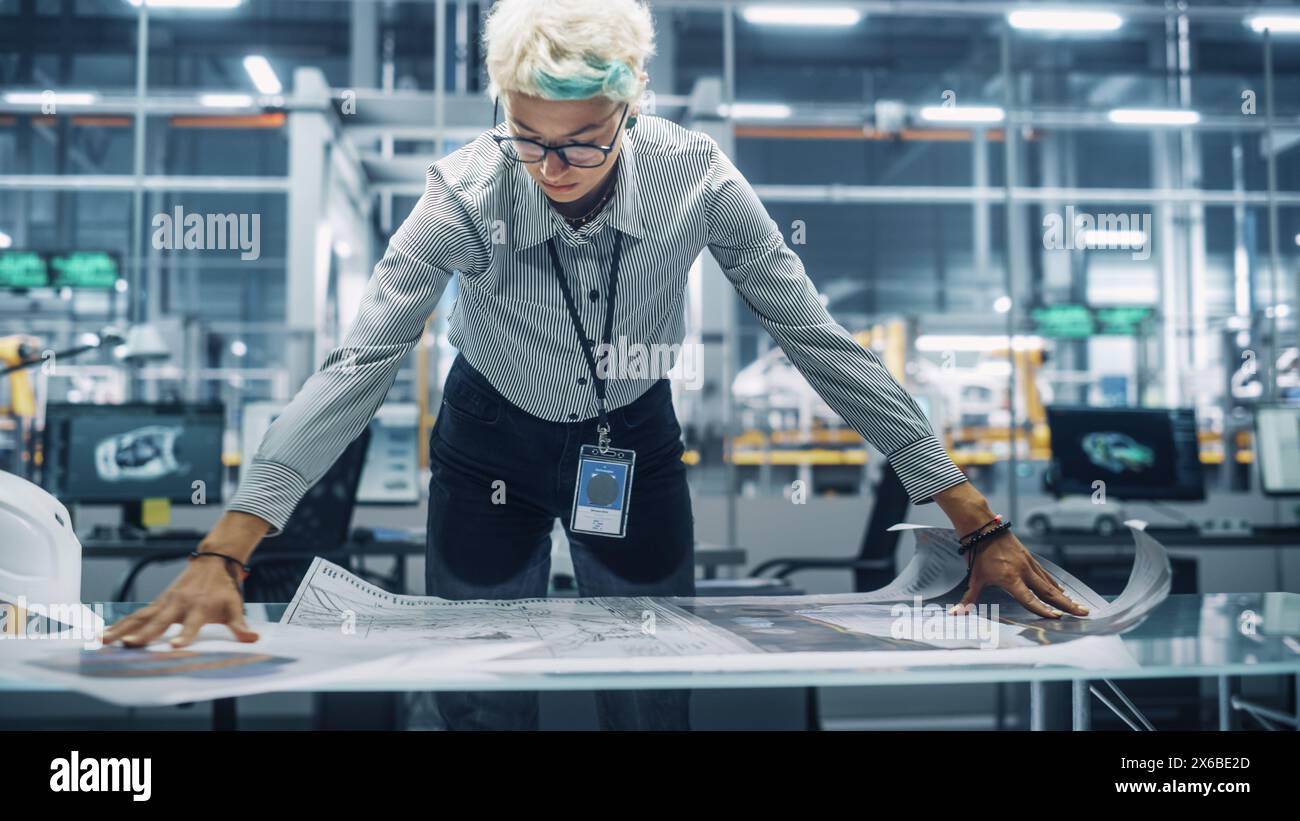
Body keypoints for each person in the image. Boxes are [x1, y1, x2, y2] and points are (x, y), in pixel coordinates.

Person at [102, 0, 1087, 729]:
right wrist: (222, 548)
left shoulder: (698, 180)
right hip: (488, 440)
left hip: (633, 441)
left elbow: (815, 339)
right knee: (479, 695)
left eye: (584, 141)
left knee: (655, 692)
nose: (553, 168)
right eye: (529, 139)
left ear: (629, 108)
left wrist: (974, 520)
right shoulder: (463, 192)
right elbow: (360, 362)